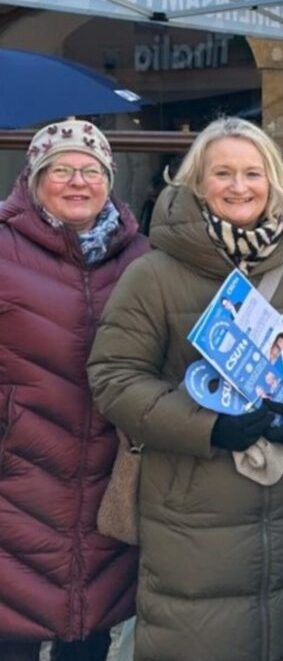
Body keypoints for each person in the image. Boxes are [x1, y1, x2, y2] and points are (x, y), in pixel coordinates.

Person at [86, 117, 283, 661]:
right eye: (223, 173)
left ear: (273, 182)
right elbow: (114, 377)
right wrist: (209, 426)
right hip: (192, 509)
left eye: (253, 173)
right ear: (196, 183)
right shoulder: (153, 273)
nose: (239, 186)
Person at [0, 120, 148, 660]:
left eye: (90, 170)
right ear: (35, 179)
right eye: (60, 169)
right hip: (18, 477)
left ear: (109, 180)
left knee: (88, 628)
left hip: (107, 481)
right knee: (11, 626)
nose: (77, 181)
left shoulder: (140, 257)